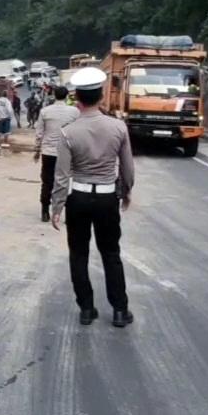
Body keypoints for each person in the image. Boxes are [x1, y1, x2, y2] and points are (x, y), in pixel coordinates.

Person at [50, 67, 136, 328]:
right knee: (111, 253)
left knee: (78, 254)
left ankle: (86, 309)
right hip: (107, 199)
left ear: (77, 98)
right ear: (101, 97)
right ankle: (120, 310)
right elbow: (127, 168)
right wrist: (126, 192)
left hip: (78, 199)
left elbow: (61, 175)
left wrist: (57, 206)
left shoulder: (68, 132)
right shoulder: (118, 127)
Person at [34, 86, 80, 223]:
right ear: (67, 96)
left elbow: (39, 133)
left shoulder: (45, 111)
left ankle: (45, 211)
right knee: (65, 182)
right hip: (67, 153)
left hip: (48, 152)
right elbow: (79, 132)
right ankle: (66, 212)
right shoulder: (74, 112)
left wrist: (37, 150)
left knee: (47, 181)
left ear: (54, 95)